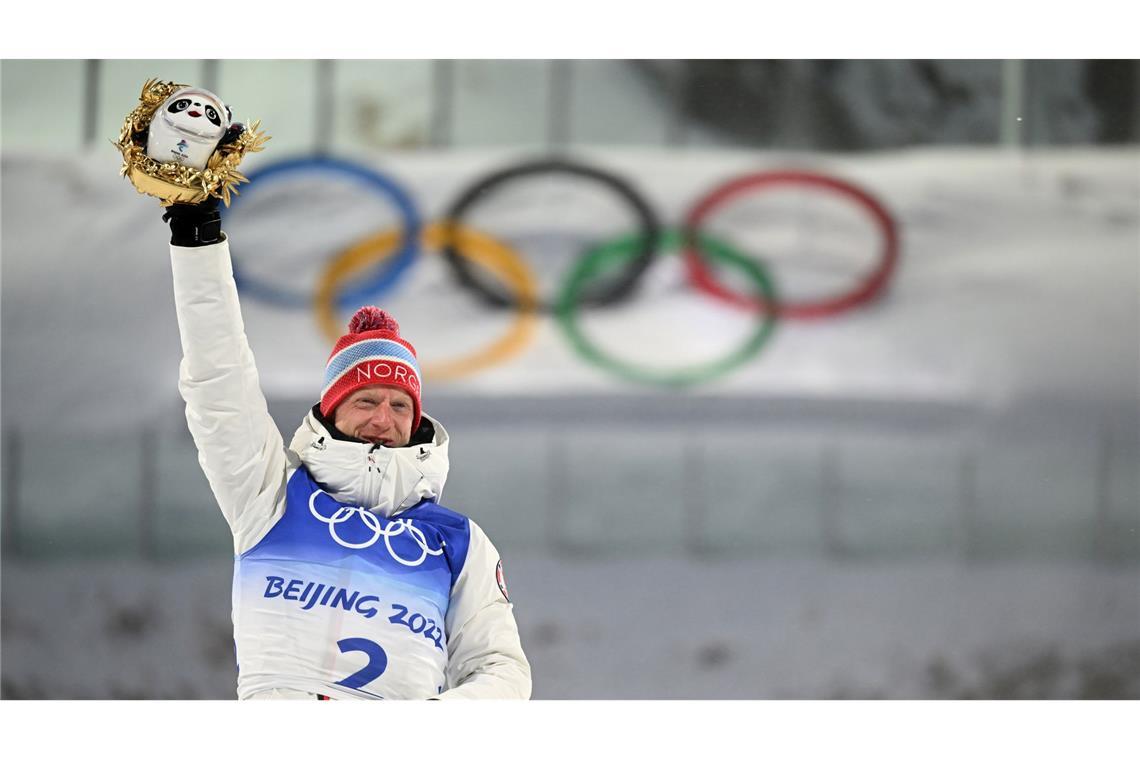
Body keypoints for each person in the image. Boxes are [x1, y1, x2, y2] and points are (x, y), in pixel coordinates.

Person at [160, 198, 531, 700]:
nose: (384, 419)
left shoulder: (460, 541)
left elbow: (501, 669)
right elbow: (219, 384)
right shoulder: (272, 494)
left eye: (401, 405)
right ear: (331, 410)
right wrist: (197, 234)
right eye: (366, 400)